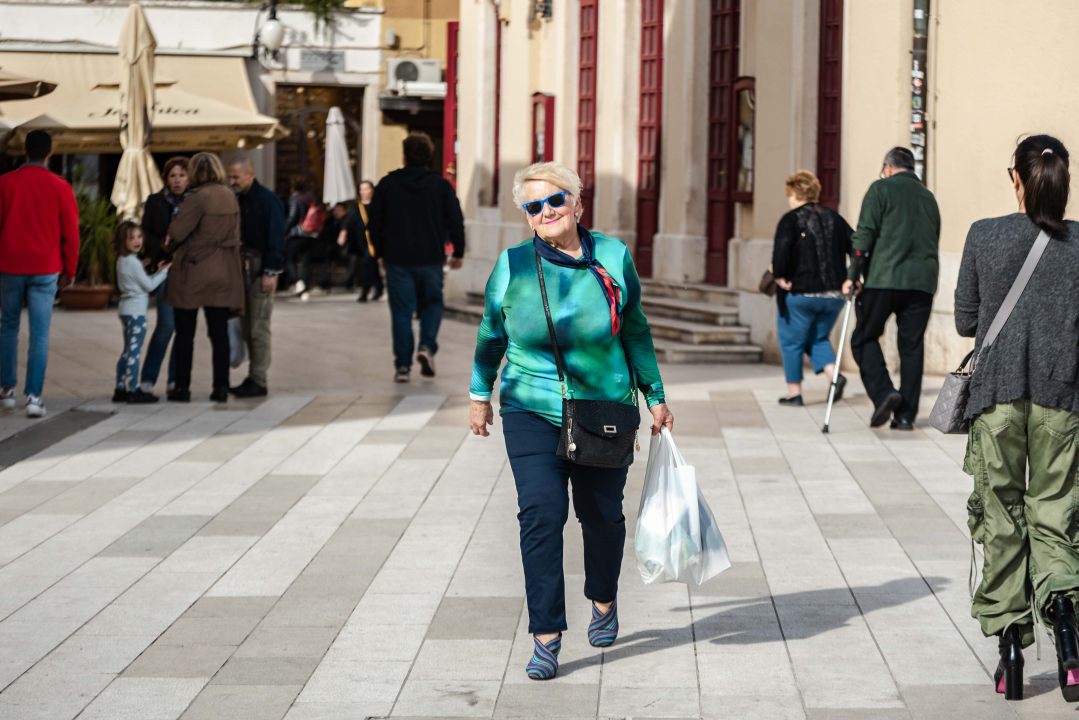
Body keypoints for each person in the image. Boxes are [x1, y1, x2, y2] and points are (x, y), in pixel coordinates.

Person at [468, 161, 673, 680]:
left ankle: (603, 597)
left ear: (577, 203)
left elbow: (635, 330)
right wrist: (479, 395)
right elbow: (491, 334)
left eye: (555, 200)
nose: (546, 211)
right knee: (541, 513)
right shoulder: (513, 265)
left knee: (602, 518)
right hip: (530, 405)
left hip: (604, 407)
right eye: (533, 206)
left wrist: (654, 396)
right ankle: (546, 634)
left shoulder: (613, 256)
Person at [957, 135, 1079, 703]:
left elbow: (965, 321)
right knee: (1056, 515)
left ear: (1017, 179)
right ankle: (1068, 630)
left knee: (1001, 516)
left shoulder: (984, 234)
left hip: (996, 398)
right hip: (1062, 398)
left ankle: (1010, 646)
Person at [842, 146, 940, 430]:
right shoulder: (929, 197)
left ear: (888, 167)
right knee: (912, 347)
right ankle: (906, 416)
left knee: (863, 338)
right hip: (922, 283)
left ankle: (884, 393)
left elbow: (865, 234)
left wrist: (853, 274)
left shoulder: (880, 189)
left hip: (884, 278)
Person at [368, 132, 465, 383]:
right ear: (429, 156)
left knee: (401, 311)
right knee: (433, 304)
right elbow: (455, 219)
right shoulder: (440, 186)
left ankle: (402, 366)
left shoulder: (387, 184)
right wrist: (458, 251)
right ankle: (426, 346)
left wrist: (379, 252)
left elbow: (374, 223)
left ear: (404, 156)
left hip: (397, 258)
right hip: (431, 258)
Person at [0, 130, 79, 418]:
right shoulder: (60, 186)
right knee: (39, 334)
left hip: (9, 264)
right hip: (46, 267)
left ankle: (6, 391)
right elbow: (71, 233)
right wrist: (70, 269)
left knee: (8, 326)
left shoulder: (4, 183)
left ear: (24, 150)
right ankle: (34, 397)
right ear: (50, 153)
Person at [164, 152, 244, 403]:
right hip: (223, 270)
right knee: (219, 333)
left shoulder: (197, 197)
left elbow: (177, 232)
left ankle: (182, 388)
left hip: (194, 271)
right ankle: (221, 387)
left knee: (185, 333)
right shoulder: (229, 195)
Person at [771, 170, 852, 406]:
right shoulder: (835, 218)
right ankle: (834, 376)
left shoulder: (790, 219)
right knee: (818, 337)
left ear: (795, 194)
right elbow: (857, 246)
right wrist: (853, 278)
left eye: (789, 194)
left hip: (801, 293)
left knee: (792, 342)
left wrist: (779, 276)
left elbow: (781, 250)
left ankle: (794, 393)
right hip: (835, 296)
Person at [227, 157, 285, 397]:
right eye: (230, 177)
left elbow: (277, 238)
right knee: (247, 327)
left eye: (235, 177)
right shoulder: (239, 199)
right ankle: (253, 376)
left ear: (250, 174)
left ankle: (259, 380)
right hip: (244, 272)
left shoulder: (268, 200)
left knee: (258, 328)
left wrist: (270, 272)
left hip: (262, 273)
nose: (232, 182)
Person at [139, 156, 188, 399]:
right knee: (166, 325)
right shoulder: (155, 202)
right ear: (166, 179)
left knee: (183, 328)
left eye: (182, 175)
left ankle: (175, 381)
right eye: (173, 175)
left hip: (189, 271)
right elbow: (144, 234)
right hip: (164, 270)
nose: (177, 180)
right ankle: (147, 380)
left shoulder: (196, 202)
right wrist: (161, 246)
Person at [112, 222, 169, 404]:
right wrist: (164, 272)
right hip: (136, 313)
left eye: (139, 236)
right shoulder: (133, 263)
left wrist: (153, 269)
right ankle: (134, 389)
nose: (137, 241)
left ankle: (120, 388)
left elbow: (138, 279)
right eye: (131, 238)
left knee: (127, 351)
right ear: (123, 241)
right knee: (134, 353)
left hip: (126, 311)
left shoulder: (122, 260)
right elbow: (149, 285)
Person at [284, 178, 313, 300]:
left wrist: (284, 230)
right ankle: (305, 286)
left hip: (297, 233)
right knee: (305, 261)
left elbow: (292, 216)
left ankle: (298, 283)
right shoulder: (309, 198)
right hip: (310, 233)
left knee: (289, 259)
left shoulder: (295, 198)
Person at [356, 180, 383, 302]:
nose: (363, 192)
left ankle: (365, 291)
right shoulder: (357, 207)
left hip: (375, 240)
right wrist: (344, 231)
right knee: (371, 263)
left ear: (372, 190)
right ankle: (379, 287)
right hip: (361, 241)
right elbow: (349, 221)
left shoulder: (378, 205)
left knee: (368, 261)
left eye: (366, 188)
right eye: (361, 189)